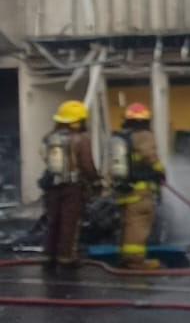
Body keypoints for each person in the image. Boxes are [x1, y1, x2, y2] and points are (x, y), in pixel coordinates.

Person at [41, 99, 100, 270]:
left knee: (53, 221)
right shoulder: (81, 139)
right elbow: (87, 165)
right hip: (72, 187)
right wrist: (96, 182)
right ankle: (66, 258)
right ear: (78, 121)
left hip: (52, 186)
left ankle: (48, 255)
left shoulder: (49, 138)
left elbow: (46, 159)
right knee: (70, 222)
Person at [112, 103, 166, 268]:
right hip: (140, 191)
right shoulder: (144, 135)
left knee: (127, 223)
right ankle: (135, 262)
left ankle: (125, 257)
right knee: (139, 225)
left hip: (124, 189)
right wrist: (161, 173)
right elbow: (151, 157)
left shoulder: (120, 137)